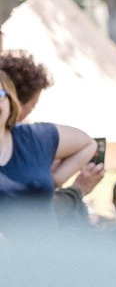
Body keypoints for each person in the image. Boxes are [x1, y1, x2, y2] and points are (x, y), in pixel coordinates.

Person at [0, 69, 96, 219]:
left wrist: (55, 179)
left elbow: (88, 144)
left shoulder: (34, 137)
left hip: (47, 241)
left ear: (10, 100)